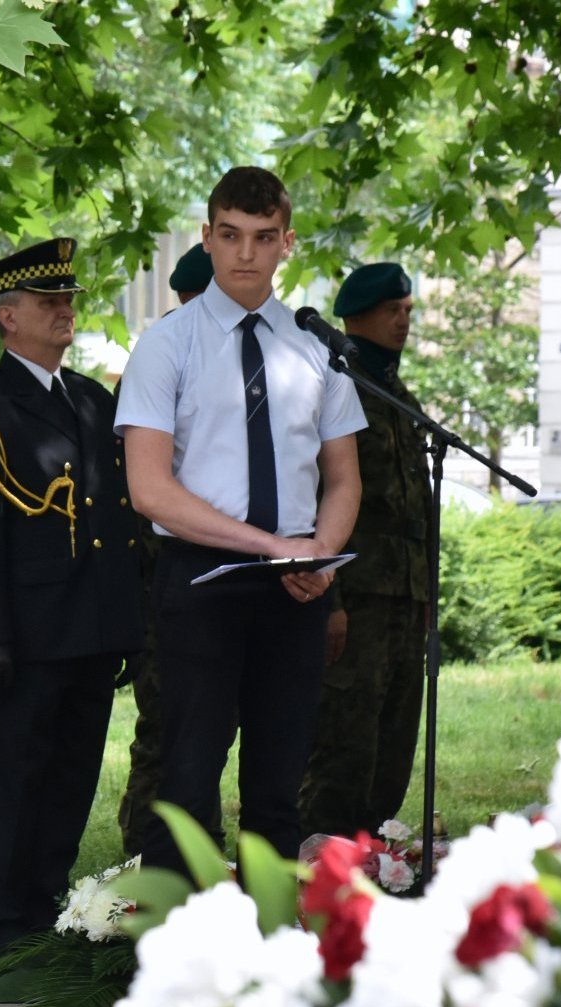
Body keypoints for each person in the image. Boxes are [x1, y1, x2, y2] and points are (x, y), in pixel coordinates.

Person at [116, 166, 365, 875]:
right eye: (230, 236)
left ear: (287, 242)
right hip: (202, 577)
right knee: (188, 778)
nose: (245, 254)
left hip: (298, 585)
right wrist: (276, 547)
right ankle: (175, 959)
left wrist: (318, 552)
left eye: (262, 238)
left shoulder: (316, 345)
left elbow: (344, 476)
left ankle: (269, 951)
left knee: (279, 783)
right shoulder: (168, 344)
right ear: (207, 237)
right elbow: (150, 490)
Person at [0, 238, 143, 959]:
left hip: (91, 630)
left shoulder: (90, 399)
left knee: (69, 787)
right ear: (6, 318)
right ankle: (0, 937)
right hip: (25, 637)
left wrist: (128, 624)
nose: (63, 312)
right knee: (11, 790)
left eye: (67, 301)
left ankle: (47, 921)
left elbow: (117, 518)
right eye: (47, 302)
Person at [299, 262, 430, 838]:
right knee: (342, 745)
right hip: (357, 596)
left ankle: (376, 864)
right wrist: (333, 600)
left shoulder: (397, 394)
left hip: (406, 597)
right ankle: (317, 872)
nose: (404, 319)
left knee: (395, 742)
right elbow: (316, 497)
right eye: (391, 311)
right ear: (358, 316)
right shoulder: (334, 385)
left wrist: (426, 595)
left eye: (407, 309)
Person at [116, 240, 233, 857]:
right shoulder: (162, 356)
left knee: (213, 729)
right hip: (162, 587)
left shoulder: (246, 356)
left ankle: (203, 854)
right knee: (167, 732)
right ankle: (145, 865)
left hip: (231, 581)